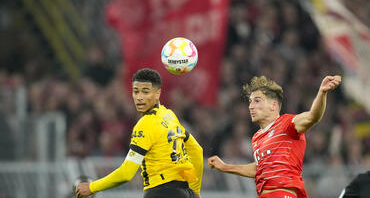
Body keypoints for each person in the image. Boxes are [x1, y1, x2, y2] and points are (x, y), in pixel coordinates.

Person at [76, 68, 203, 198]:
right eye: (136, 92)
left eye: (145, 92)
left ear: (158, 93)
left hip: (160, 192)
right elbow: (197, 151)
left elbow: (126, 173)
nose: (139, 97)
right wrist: (195, 191)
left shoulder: (145, 125)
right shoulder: (169, 116)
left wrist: (92, 187)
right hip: (184, 192)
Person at [208, 75, 341, 198]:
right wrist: (225, 167)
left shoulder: (288, 124)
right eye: (250, 102)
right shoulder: (257, 137)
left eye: (257, 101)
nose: (251, 106)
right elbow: (260, 168)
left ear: (273, 105)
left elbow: (313, 116)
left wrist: (322, 93)